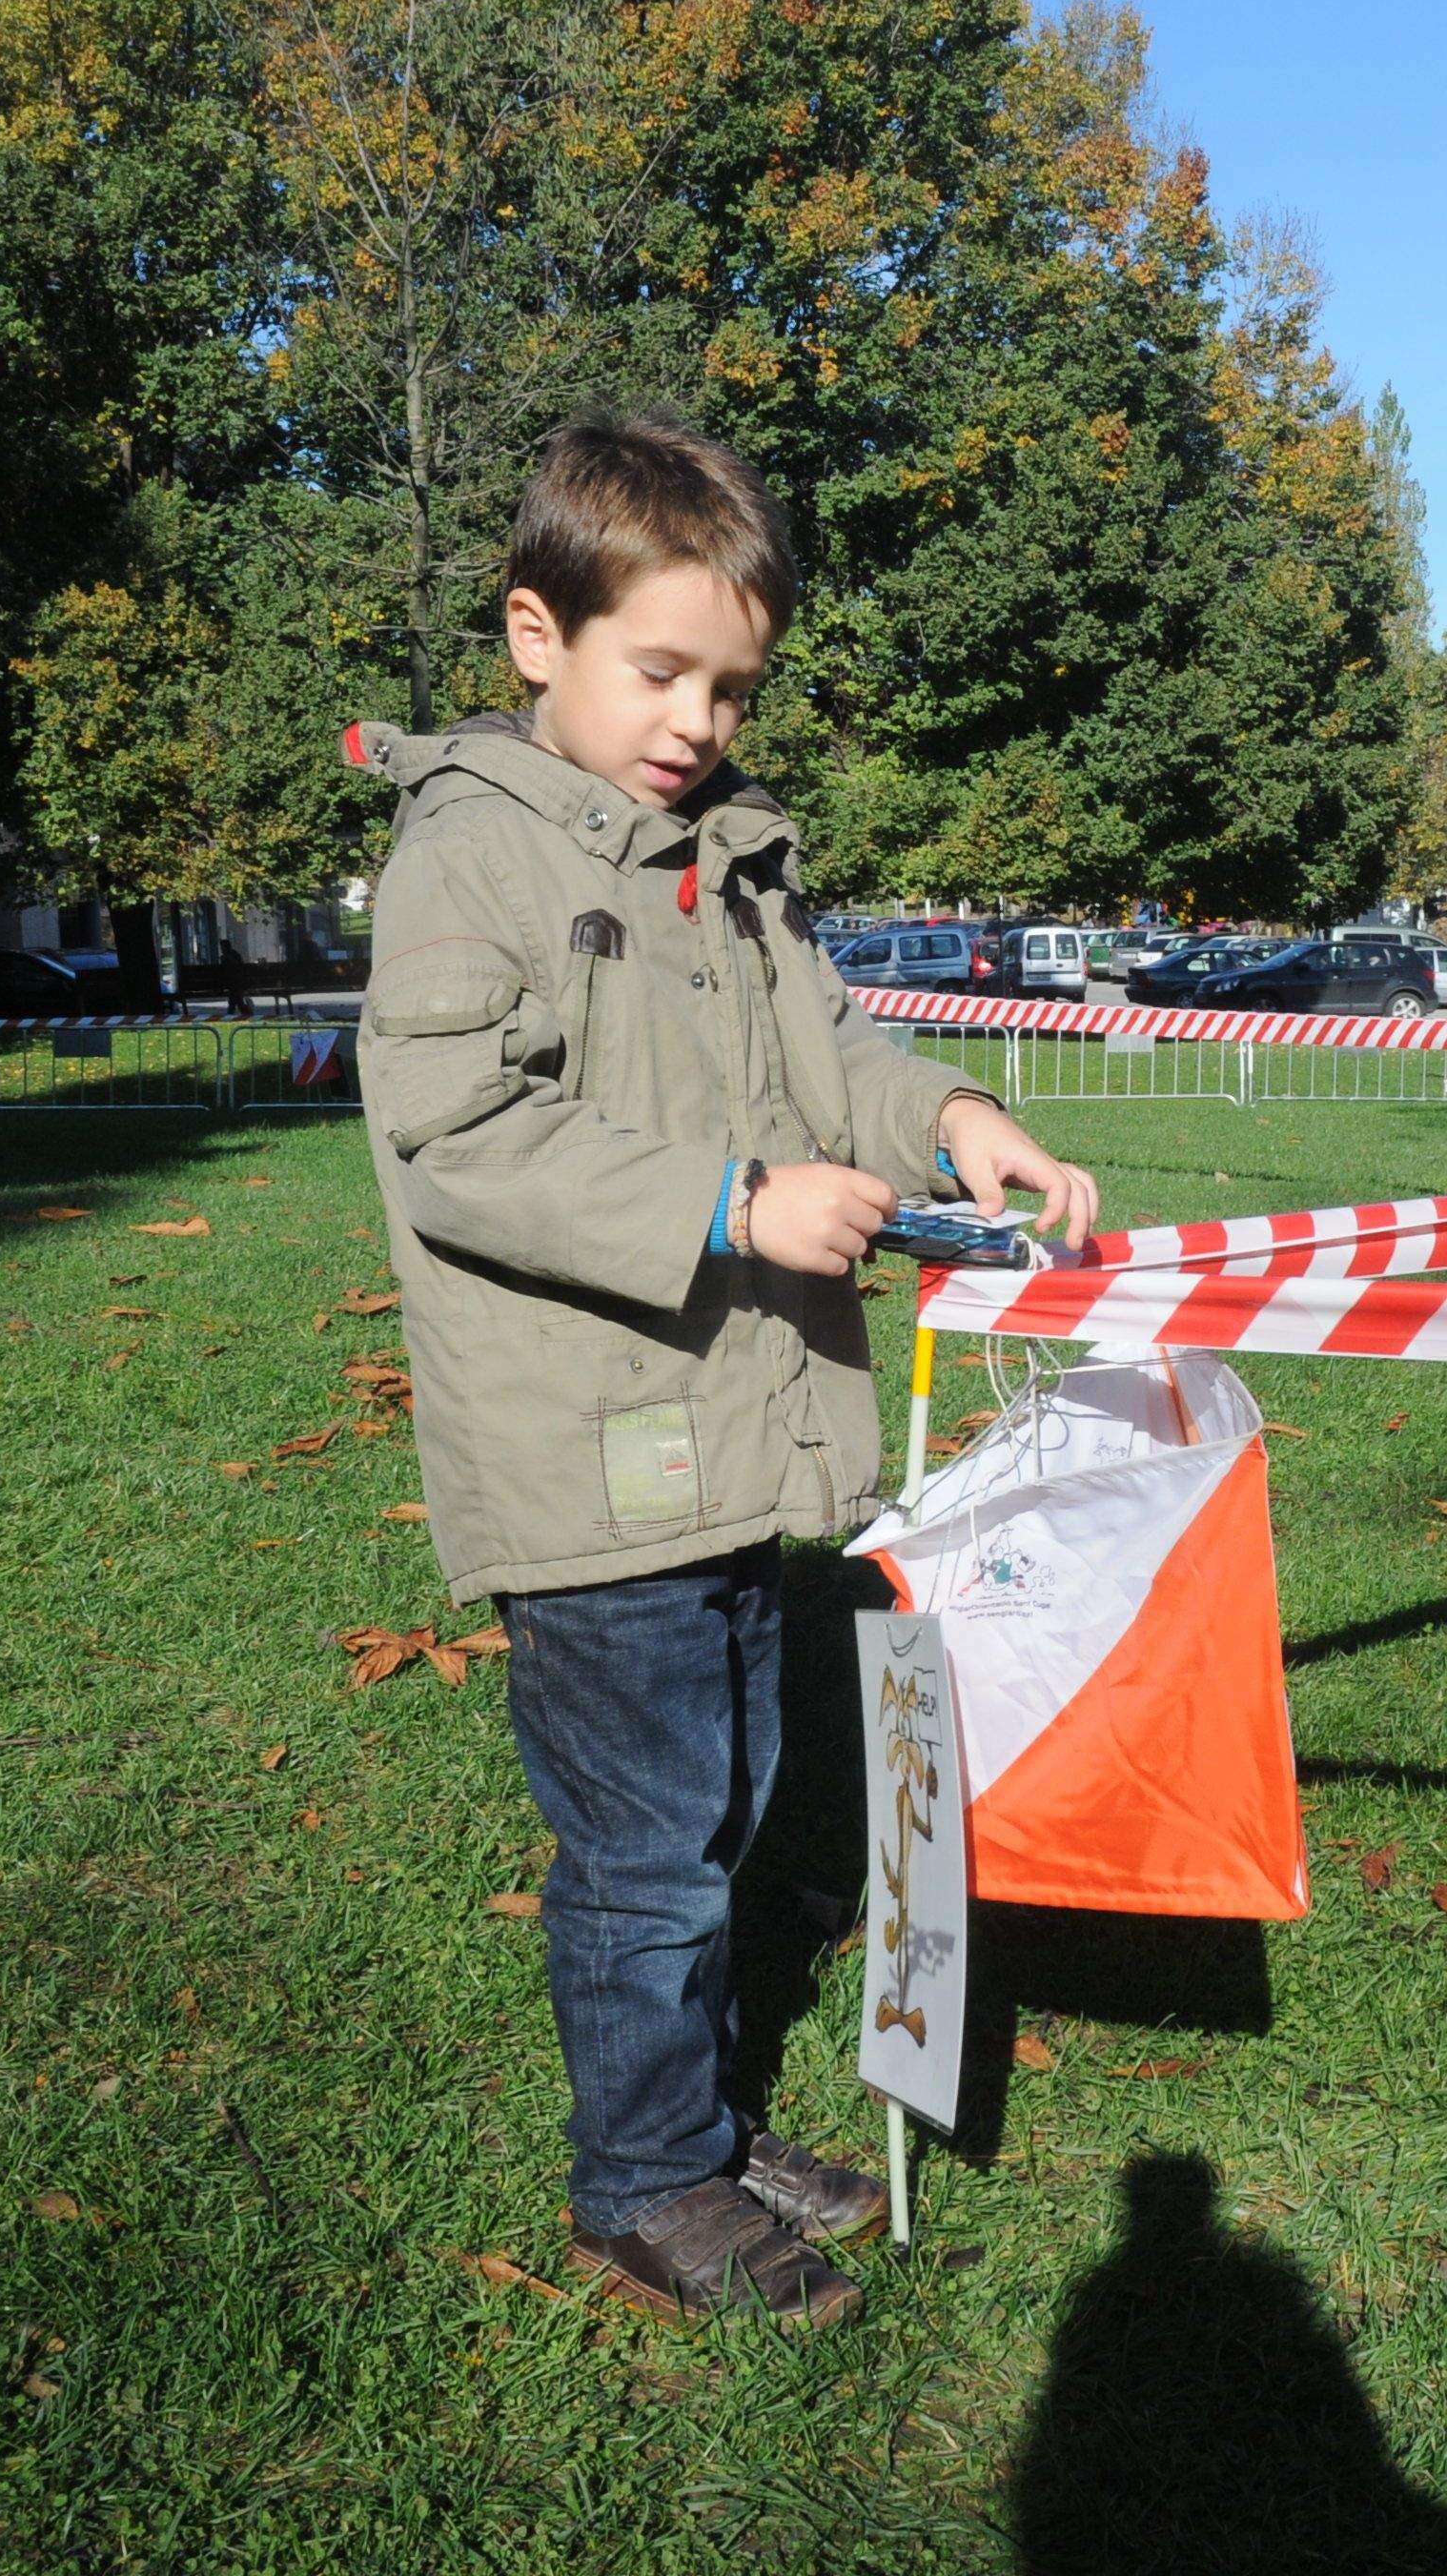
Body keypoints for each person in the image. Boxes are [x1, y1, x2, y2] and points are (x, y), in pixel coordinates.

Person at [350, 414, 1097, 2328]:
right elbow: (450, 1125)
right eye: (655, 668)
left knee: (735, 1802)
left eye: (729, 684)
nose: (693, 717)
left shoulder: (732, 858)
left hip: (732, 1439)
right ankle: (642, 2180)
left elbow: (832, 1046)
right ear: (538, 634)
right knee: (647, 1847)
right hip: (586, 1448)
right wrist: (726, 1200)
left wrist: (955, 1118)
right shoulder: (473, 847)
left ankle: (693, 2113)